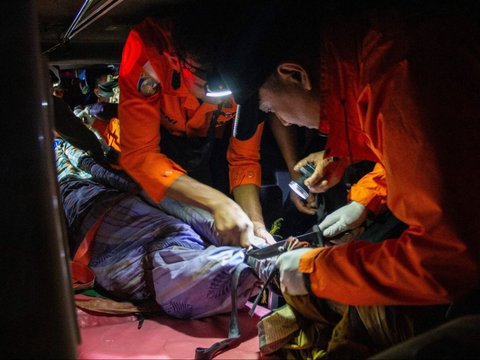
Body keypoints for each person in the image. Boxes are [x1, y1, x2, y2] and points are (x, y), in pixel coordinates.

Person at [213, 0, 480, 357]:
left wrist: (316, 271)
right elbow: (434, 157)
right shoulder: (374, 59)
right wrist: (365, 200)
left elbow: (445, 260)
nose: (285, 122)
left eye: (270, 108)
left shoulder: (401, 77)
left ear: (295, 74)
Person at [117, 4, 274, 248]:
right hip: (162, 147)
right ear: (177, 62)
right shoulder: (147, 53)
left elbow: (244, 158)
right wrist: (218, 202)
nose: (222, 100)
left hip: (212, 147)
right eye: (208, 89)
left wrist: (256, 223)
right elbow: (139, 154)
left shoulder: (251, 68)